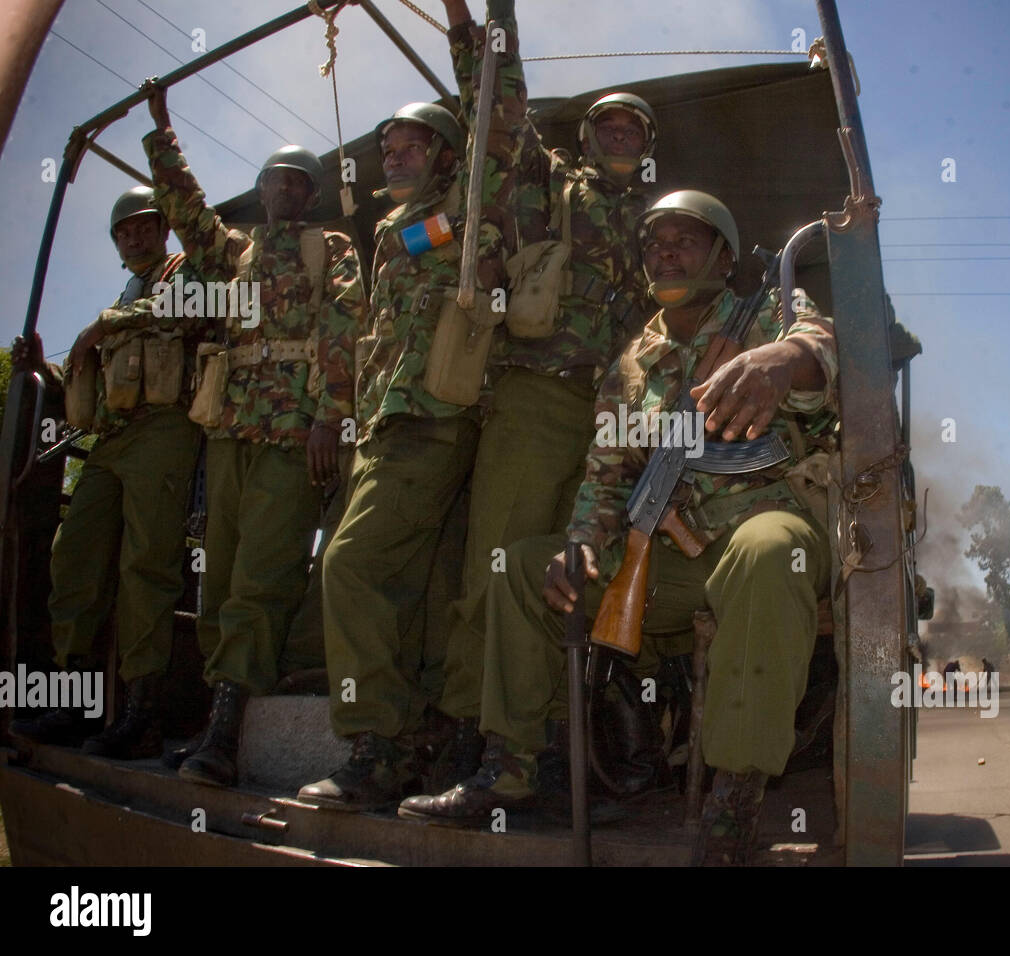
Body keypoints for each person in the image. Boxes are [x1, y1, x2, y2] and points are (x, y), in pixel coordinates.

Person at [401, 190, 840, 867]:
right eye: (654, 243)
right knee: (521, 567)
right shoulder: (631, 365)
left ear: (724, 257)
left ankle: (736, 792)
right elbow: (604, 478)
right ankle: (510, 765)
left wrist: (782, 362)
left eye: (685, 240)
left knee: (769, 551)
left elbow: (821, 347)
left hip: (756, 532)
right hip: (668, 560)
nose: (665, 251)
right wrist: (581, 547)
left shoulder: (770, 314)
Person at [294, 0, 526, 812]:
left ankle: (376, 745)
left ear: (445, 152)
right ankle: (429, 739)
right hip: (390, 425)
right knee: (423, 593)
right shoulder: (391, 236)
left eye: (410, 146)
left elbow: (494, 103)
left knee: (351, 565)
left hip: (436, 421)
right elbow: (364, 341)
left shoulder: (470, 196)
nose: (393, 157)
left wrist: (464, 16)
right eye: (386, 148)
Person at [429, 0, 655, 793]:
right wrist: (483, 16)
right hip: (535, 403)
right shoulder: (549, 180)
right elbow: (497, 98)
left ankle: (555, 744)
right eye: (609, 126)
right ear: (587, 138)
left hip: (619, 425)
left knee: (572, 578)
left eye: (634, 130)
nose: (620, 136)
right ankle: (475, 740)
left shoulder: (664, 227)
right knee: (496, 570)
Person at [142, 84, 367, 787]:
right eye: (277, 179)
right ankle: (218, 714)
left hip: (290, 432)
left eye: (301, 183)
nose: (287, 190)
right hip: (231, 427)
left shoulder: (327, 245)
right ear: (262, 187)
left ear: (312, 195)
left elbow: (345, 322)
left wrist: (330, 414)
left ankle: (227, 736)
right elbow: (185, 212)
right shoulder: (231, 253)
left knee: (262, 577)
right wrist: (161, 131)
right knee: (220, 575)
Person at [11, 187, 211, 758]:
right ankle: (74, 702)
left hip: (165, 428)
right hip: (113, 436)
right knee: (73, 555)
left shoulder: (186, 272)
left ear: (164, 230)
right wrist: (48, 369)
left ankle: (142, 713)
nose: (135, 236)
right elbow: (102, 380)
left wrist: (100, 324)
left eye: (145, 226)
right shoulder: (125, 293)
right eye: (124, 231)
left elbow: (185, 309)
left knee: (145, 565)